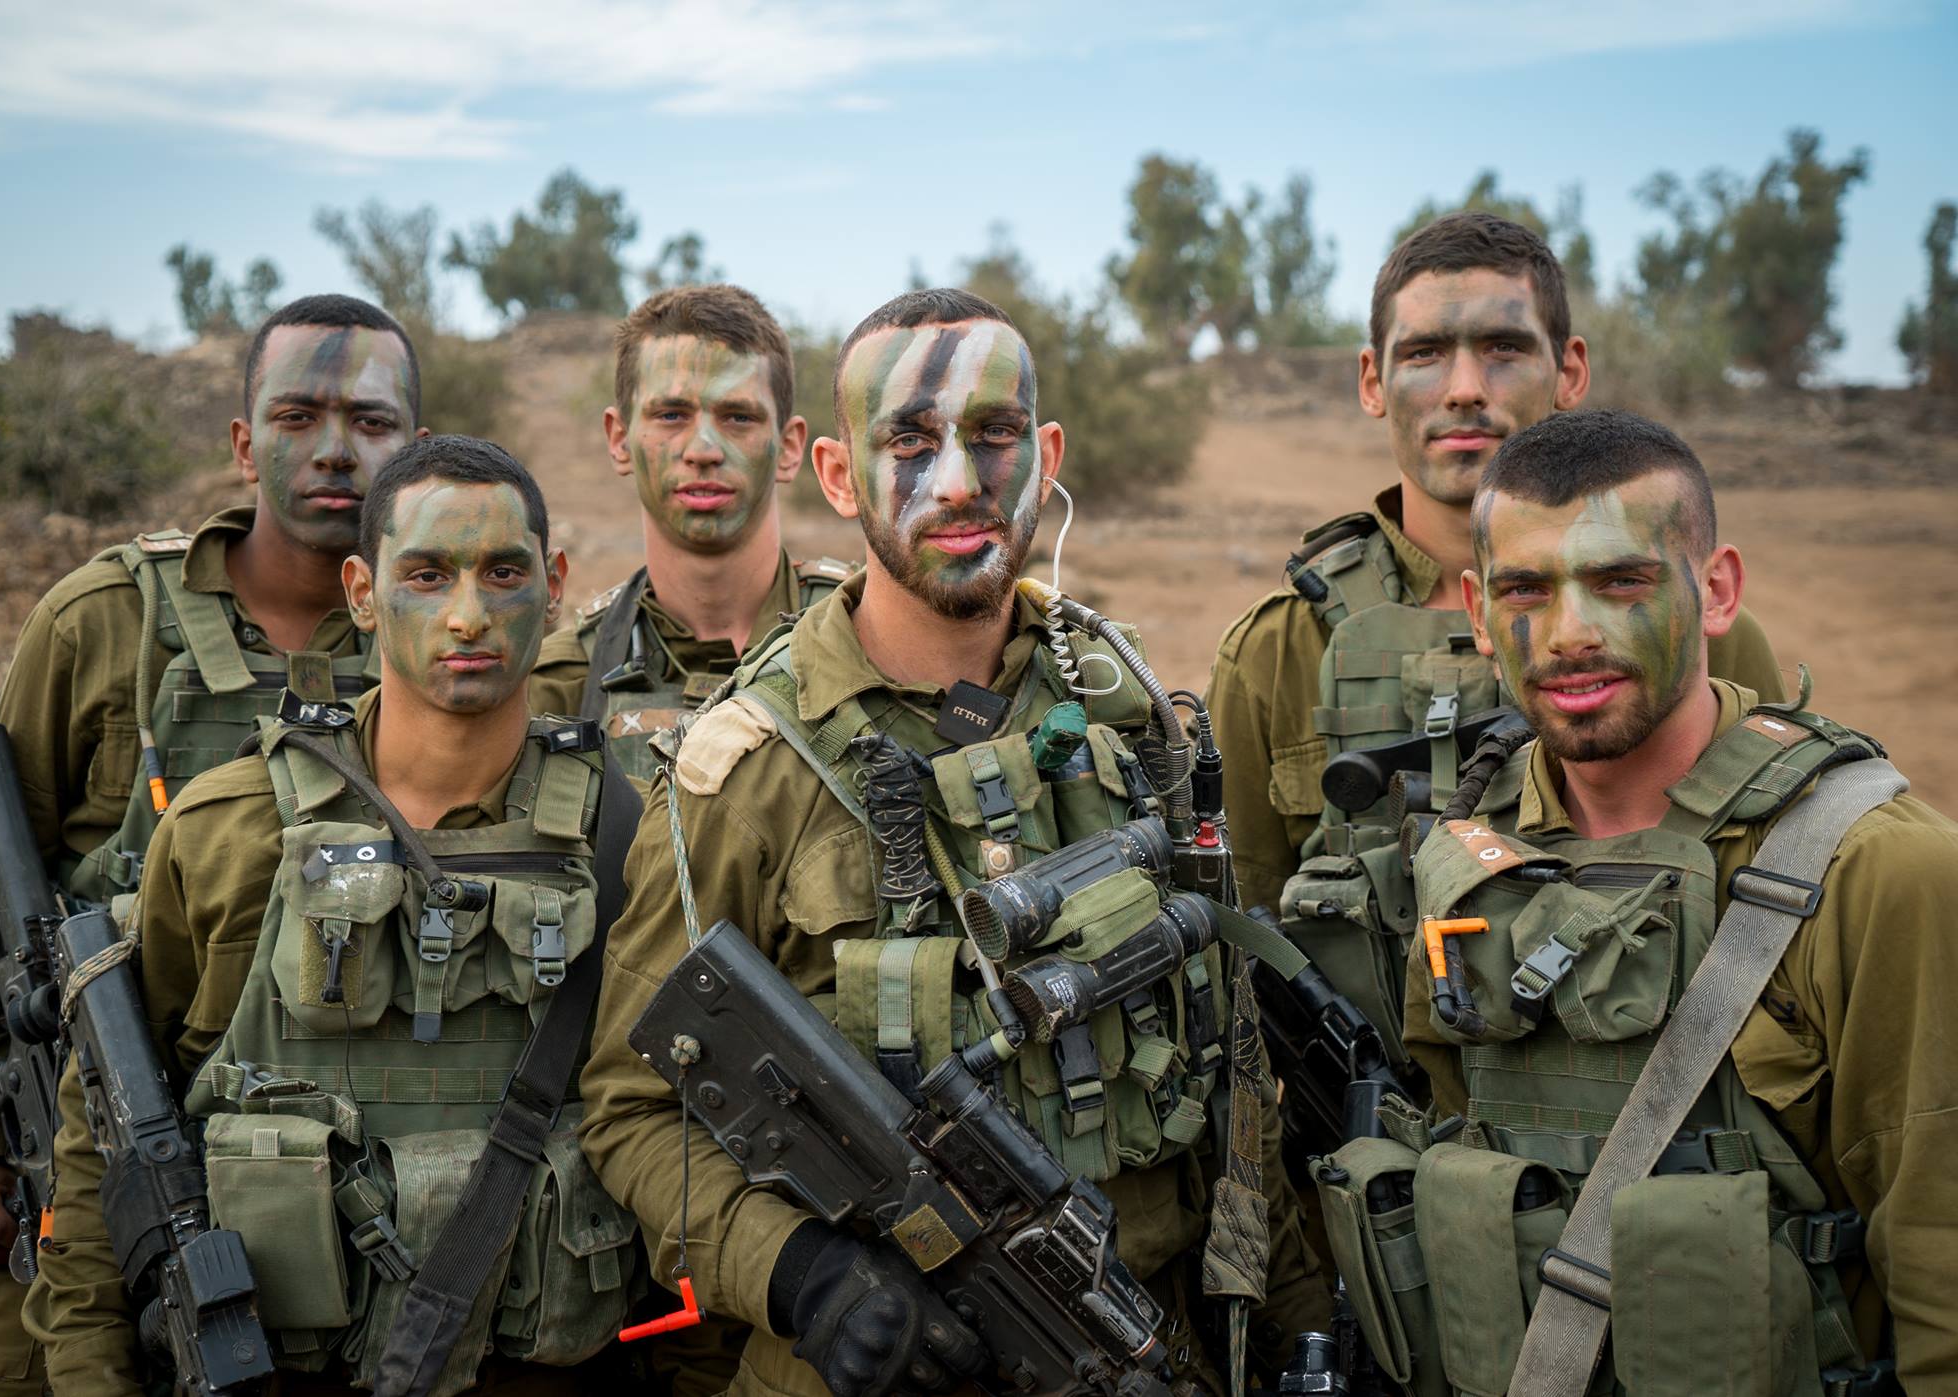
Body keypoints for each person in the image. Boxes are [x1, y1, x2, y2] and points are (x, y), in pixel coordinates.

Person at [582, 288, 1330, 1397]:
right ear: (836, 475)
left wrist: (1302, 1326)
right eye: (908, 441)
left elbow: (1234, 1076)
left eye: (991, 436)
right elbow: (633, 1108)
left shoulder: (1130, 722)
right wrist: (797, 1273)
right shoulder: (746, 767)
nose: (958, 482)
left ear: (1045, 451)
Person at [24, 436, 649, 1394]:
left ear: (556, 584)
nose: (468, 613)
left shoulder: (633, 831)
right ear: (361, 591)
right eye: (427, 574)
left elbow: (678, 1138)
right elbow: (105, 1143)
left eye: (505, 572)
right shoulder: (232, 826)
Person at [1345, 408, 1953, 1392]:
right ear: (1475, 608)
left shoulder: (1878, 871)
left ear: (1713, 591)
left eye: (1621, 579)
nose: (1569, 632)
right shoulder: (1462, 859)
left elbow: (1942, 1268)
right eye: (1525, 588)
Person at [0, 292, 418, 1397]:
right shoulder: (104, 624)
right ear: (244, 441)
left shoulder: (437, 648)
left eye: (373, 424)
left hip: (339, 1198)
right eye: (298, 415)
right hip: (87, 1179)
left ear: (414, 451)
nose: (336, 449)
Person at [1203, 212, 1788, 1145]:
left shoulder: (1695, 631)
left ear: (1571, 372)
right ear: (1372, 379)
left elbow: (1783, 921)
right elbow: (1239, 965)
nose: (1466, 389)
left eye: (1505, 348)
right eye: (1426, 352)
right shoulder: (1280, 650)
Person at [526, 284, 849, 780]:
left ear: (788, 448)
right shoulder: (558, 684)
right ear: (619, 439)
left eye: (738, 417)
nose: (703, 449)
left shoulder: (862, 637)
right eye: (671, 415)